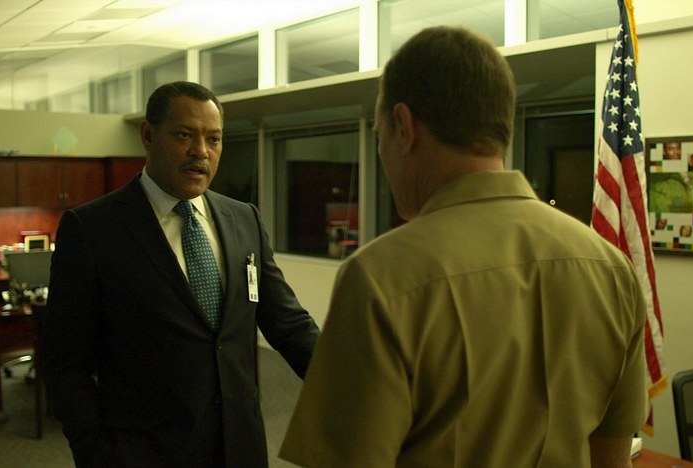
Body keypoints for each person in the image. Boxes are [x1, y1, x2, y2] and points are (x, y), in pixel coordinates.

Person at [280, 26, 647, 467]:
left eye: (379, 136)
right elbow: (613, 457)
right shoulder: (612, 269)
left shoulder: (380, 279)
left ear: (404, 127)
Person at [43, 81, 320, 468]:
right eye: (184, 135)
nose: (201, 152)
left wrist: (356, 384)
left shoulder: (244, 219)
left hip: (240, 446)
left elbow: (287, 323)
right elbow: (63, 362)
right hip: (143, 454)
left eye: (214, 139)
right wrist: (96, 454)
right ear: (148, 135)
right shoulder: (92, 229)